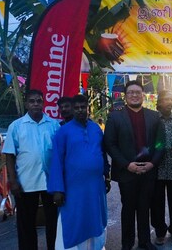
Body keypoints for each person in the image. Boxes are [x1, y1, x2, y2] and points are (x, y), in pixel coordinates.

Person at [104, 80, 165, 250]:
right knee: (128, 208)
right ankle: (127, 243)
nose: (134, 95)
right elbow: (110, 144)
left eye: (138, 92)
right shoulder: (115, 116)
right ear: (125, 95)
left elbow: (161, 143)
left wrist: (152, 164)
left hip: (148, 170)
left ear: (143, 95)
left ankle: (145, 241)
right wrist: (126, 164)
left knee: (145, 206)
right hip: (127, 172)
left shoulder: (154, 116)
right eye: (130, 92)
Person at [48, 95, 111, 249]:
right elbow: (56, 161)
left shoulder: (95, 128)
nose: (80, 110)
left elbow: (102, 154)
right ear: (72, 109)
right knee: (74, 219)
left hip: (95, 187)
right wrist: (57, 189)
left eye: (83, 107)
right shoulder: (63, 132)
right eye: (76, 108)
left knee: (94, 218)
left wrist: (107, 177)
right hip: (73, 188)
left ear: (88, 108)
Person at [2, 89, 60, 250]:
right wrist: (13, 181)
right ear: (27, 104)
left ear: (43, 103)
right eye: (32, 101)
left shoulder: (53, 125)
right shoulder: (16, 126)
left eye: (39, 101)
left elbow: (60, 155)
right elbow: (9, 156)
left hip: (50, 183)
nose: (35, 104)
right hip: (25, 183)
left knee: (53, 224)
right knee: (26, 225)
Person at [151, 90, 172, 245]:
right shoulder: (152, 119)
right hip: (156, 169)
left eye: (171, 99)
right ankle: (160, 232)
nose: (169, 102)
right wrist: (157, 148)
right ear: (159, 102)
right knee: (156, 203)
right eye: (165, 99)